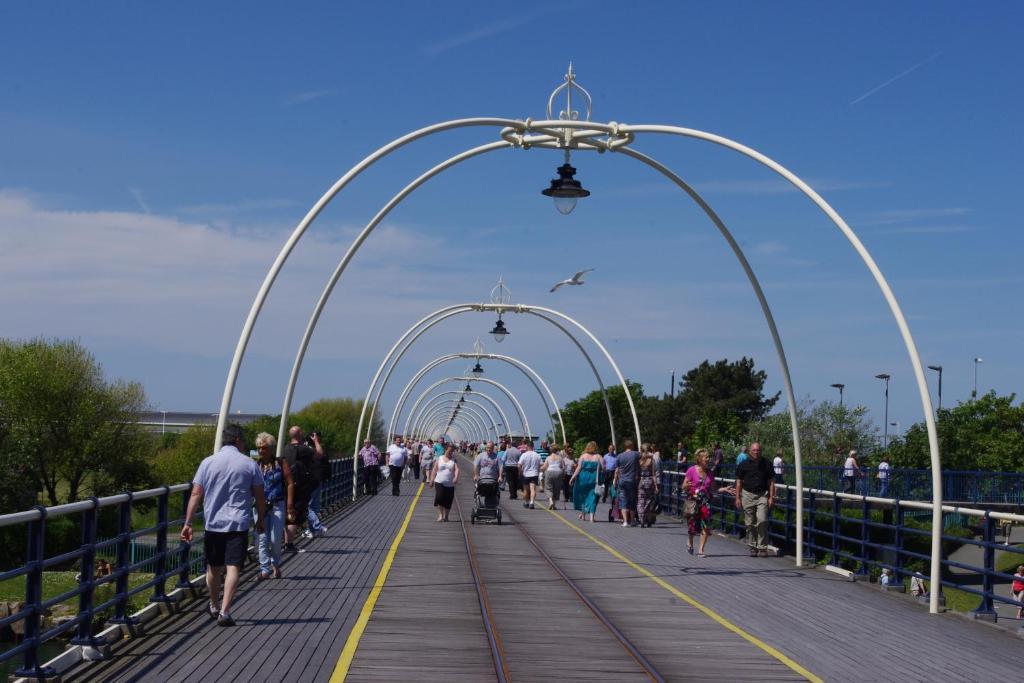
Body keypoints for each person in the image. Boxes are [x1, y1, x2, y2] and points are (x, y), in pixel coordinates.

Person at [181, 424, 265, 627]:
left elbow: (196, 494)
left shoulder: (207, 463)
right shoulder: (249, 464)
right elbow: (260, 496)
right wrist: (260, 519)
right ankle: (225, 612)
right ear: (237, 440)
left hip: (214, 523)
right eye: (243, 441)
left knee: (214, 567)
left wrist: (188, 523)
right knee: (234, 567)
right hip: (238, 522)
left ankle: (213, 604)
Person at [255, 432, 292, 580]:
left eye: (263, 448)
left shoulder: (280, 463)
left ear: (270, 448)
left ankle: (275, 563)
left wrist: (289, 505)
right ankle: (264, 569)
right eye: (258, 448)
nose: (260, 451)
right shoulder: (256, 465)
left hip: (277, 504)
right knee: (262, 538)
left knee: (275, 538)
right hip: (260, 506)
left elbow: (289, 483)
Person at [683, 449, 728, 556]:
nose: (708, 459)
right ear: (699, 459)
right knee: (692, 526)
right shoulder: (691, 470)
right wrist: (687, 486)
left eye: (708, 457)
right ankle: (690, 541)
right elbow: (683, 486)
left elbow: (714, 489)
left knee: (706, 525)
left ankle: (701, 550)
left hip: (705, 502)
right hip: (693, 502)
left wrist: (724, 489)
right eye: (706, 457)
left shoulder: (709, 473)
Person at [734, 442, 775, 557]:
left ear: (761, 451)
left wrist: (772, 497)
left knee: (762, 520)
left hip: (762, 494)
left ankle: (762, 547)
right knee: (749, 522)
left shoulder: (767, 463)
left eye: (758, 450)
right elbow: (738, 482)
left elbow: (771, 481)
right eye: (754, 450)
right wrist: (737, 497)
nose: (756, 452)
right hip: (747, 494)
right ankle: (752, 546)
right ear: (750, 451)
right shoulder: (743, 464)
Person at [282, 426, 318, 550]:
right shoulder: (305, 449)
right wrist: (316, 441)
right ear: (299, 435)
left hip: (285, 485)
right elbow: (319, 454)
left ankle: (285, 541)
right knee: (295, 513)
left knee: (287, 512)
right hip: (300, 486)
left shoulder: (284, 449)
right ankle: (289, 543)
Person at [570, 441, 602, 523]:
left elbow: (578, 468)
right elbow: (604, 467)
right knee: (593, 497)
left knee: (583, 496)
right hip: (594, 479)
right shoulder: (598, 457)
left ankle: (583, 516)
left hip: (583, 478)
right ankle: (591, 517)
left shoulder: (583, 456)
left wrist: (572, 478)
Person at [614, 440, 640, 527]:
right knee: (632, 501)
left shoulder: (619, 456)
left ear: (625, 447)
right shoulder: (636, 454)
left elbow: (617, 470)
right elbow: (645, 456)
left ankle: (625, 521)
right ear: (632, 446)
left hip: (622, 481)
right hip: (632, 481)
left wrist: (615, 480)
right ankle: (632, 520)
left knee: (623, 500)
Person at [431, 446, 459, 521]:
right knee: (439, 497)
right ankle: (440, 515)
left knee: (448, 500)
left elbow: (456, 469)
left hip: (450, 483)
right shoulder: (440, 458)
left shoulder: (454, 459)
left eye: (451, 451)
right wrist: (431, 480)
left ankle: (446, 516)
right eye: (448, 451)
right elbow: (434, 469)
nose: (450, 452)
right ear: (445, 450)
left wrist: (456, 477)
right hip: (439, 481)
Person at [635, 448, 659, 527]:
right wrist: (656, 486)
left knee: (641, 501)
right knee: (649, 501)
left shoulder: (639, 461)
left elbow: (636, 474)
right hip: (649, 481)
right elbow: (653, 474)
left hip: (641, 481)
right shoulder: (651, 461)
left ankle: (641, 519)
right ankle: (647, 519)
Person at [518, 441, 542, 509]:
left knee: (525, 490)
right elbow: (541, 465)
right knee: (533, 489)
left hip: (526, 475)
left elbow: (519, 465)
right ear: (533, 446)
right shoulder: (537, 455)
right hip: (534, 474)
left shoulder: (524, 455)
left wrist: (520, 472)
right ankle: (532, 502)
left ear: (527, 446)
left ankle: (526, 502)